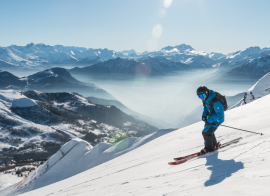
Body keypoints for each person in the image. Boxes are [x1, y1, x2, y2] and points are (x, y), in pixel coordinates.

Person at [196, 86, 225, 156]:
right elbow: (206, 108)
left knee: (205, 132)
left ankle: (210, 148)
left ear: (207, 93)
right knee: (208, 131)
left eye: (202, 95)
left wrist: (209, 119)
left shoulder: (215, 101)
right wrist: (204, 115)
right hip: (211, 118)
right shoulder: (206, 99)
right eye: (199, 96)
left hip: (217, 120)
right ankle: (214, 145)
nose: (201, 98)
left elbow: (220, 114)